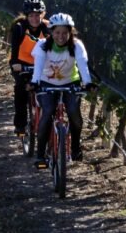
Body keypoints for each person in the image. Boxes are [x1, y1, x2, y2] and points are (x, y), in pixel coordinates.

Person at [31, 12, 94, 166]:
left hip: (70, 83)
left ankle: (75, 147)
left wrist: (88, 82)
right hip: (47, 84)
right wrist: (34, 82)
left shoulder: (76, 46)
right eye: (57, 32)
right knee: (48, 112)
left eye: (65, 33)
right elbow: (38, 66)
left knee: (75, 114)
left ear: (70, 33)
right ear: (51, 32)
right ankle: (40, 155)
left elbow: (82, 65)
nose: (61, 36)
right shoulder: (42, 46)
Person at [10, 0, 49, 138]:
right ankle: (20, 125)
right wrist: (16, 65)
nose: (34, 18)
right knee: (21, 89)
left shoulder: (48, 28)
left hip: (43, 65)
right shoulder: (19, 28)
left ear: (43, 14)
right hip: (22, 64)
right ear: (26, 16)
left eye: (37, 15)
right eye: (31, 15)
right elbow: (14, 52)